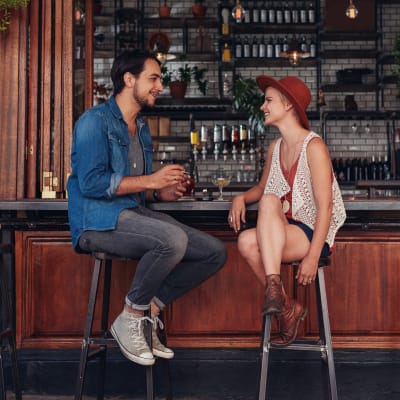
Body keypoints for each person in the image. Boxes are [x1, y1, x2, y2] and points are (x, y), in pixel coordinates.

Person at [67, 49, 227, 366]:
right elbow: (91, 183)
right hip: (96, 223)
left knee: (214, 251)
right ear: (129, 79)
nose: (160, 86)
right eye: (153, 78)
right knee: (172, 240)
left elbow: (138, 188)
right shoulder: (93, 121)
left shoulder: (140, 128)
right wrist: (151, 181)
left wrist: (161, 192)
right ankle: (129, 316)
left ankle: (148, 312)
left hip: (132, 215)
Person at [228, 75, 346, 346]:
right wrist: (241, 198)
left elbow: (326, 207)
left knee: (268, 204)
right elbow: (261, 188)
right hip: (287, 229)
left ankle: (281, 303)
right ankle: (285, 304)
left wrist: (313, 257)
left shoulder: (314, 147)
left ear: (289, 105)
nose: (263, 107)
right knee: (246, 239)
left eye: (269, 101)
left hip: (313, 232)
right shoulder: (276, 147)